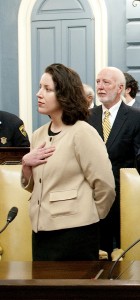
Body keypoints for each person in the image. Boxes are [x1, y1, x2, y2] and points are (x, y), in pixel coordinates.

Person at [21, 63, 115, 261]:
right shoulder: (38, 135)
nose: (39, 94)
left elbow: (105, 185)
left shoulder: (83, 132)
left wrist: (90, 216)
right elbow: (38, 187)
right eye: (40, 87)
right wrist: (26, 166)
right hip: (41, 231)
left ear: (64, 95)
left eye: (47, 89)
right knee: (43, 292)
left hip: (76, 233)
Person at [88, 66, 140, 259]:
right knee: (98, 254)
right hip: (94, 198)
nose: (100, 87)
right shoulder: (86, 117)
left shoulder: (136, 118)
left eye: (106, 82)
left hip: (123, 198)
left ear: (120, 88)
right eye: (98, 82)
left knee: (123, 254)